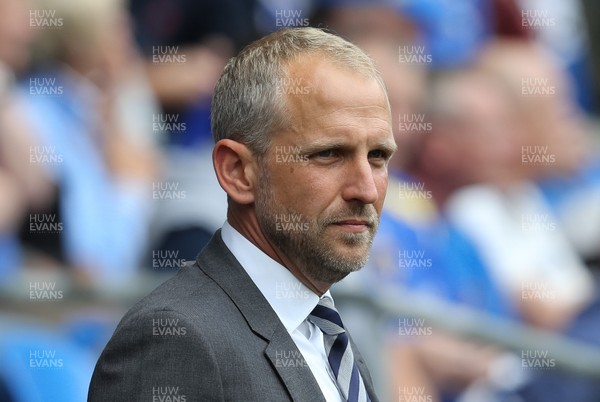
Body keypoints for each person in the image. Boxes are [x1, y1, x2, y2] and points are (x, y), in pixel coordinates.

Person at [88, 27, 395, 401]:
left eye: (378, 156)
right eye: (328, 154)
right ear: (236, 171)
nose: (366, 189)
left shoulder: (331, 338)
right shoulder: (174, 340)